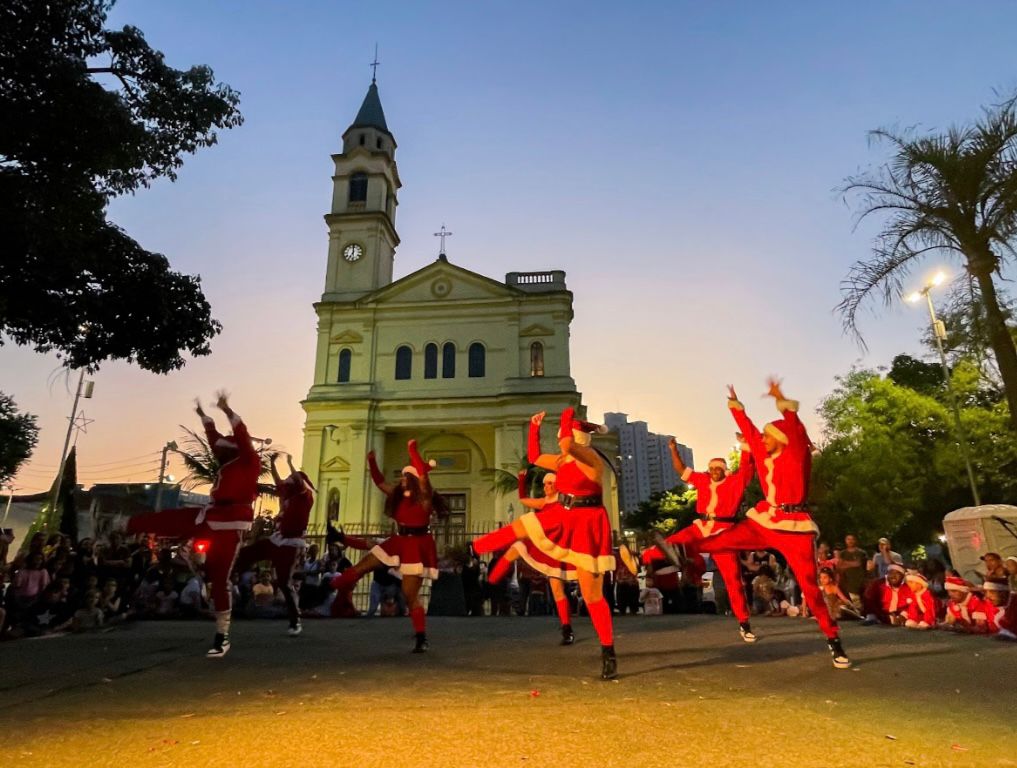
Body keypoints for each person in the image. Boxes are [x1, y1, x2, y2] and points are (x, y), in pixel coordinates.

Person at [696, 380, 851, 669]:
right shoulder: (763, 452)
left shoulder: (796, 454)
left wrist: (781, 400)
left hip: (795, 526)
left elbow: (795, 427)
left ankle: (833, 639)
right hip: (767, 519)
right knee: (718, 540)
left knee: (810, 586)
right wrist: (735, 404)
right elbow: (751, 431)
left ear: (781, 438)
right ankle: (677, 548)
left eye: (768, 437)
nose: (762, 440)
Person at [473, 408, 619, 679]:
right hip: (563, 516)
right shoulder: (563, 461)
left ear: (575, 438)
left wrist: (566, 415)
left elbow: (566, 444)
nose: (560, 440)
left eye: (563, 435)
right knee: (524, 526)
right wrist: (533, 429)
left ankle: (608, 651)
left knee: (592, 596)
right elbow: (535, 457)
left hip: (587, 522)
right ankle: (477, 548)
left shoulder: (591, 460)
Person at [127, 393, 262, 657]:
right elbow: (213, 440)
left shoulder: (249, 461)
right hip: (211, 516)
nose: (218, 453)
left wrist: (227, 409)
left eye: (223, 450)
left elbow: (242, 435)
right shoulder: (227, 463)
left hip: (231, 523)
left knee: (220, 578)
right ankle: (131, 524)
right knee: (172, 519)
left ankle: (222, 635)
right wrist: (204, 418)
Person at [329, 440, 443, 652]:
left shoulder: (425, 498)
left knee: (410, 596)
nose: (401, 479)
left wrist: (412, 451)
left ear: (414, 479)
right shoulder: (397, 496)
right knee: (363, 565)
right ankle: (327, 588)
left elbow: (424, 476)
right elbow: (379, 481)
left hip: (416, 546)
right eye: (401, 476)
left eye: (406, 476)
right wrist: (371, 462)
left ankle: (421, 637)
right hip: (398, 542)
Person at [642, 438, 756, 641]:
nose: (713, 471)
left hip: (724, 531)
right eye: (711, 467)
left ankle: (744, 622)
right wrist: (673, 449)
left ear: (724, 470)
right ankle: (650, 558)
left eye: (717, 468)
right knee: (669, 541)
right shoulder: (703, 480)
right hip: (701, 526)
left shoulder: (733, 482)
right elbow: (682, 470)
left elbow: (748, 470)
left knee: (733, 580)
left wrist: (747, 446)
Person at [486, 471, 580, 644]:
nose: (546, 487)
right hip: (543, 544)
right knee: (518, 547)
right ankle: (492, 579)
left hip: (559, 546)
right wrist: (522, 480)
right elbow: (523, 499)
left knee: (559, 589)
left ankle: (568, 628)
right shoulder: (544, 502)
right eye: (545, 484)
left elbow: (576, 511)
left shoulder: (564, 499)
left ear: (556, 485)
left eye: (549, 484)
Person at [233, 452, 314, 636]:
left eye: (290, 481)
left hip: (291, 544)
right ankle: (224, 574)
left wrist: (291, 463)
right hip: (277, 539)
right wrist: (272, 463)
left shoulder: (304, 496)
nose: (285, 484)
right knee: (248, 553)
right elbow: (278, 480)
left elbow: (298, 480)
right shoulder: (287, 495)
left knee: (284, 582)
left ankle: (295, 621)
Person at [836, 535, 867, 613]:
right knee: (852, 605)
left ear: (855, 540)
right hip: (847, 583)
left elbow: (858, 563)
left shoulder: (861, 553)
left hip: (860, 582)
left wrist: (845, 563)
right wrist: (852, 564)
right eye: (848, 539)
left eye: (852, 539)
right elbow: (839, 566)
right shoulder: (843, 553)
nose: (850, 541)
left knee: (861, 604)